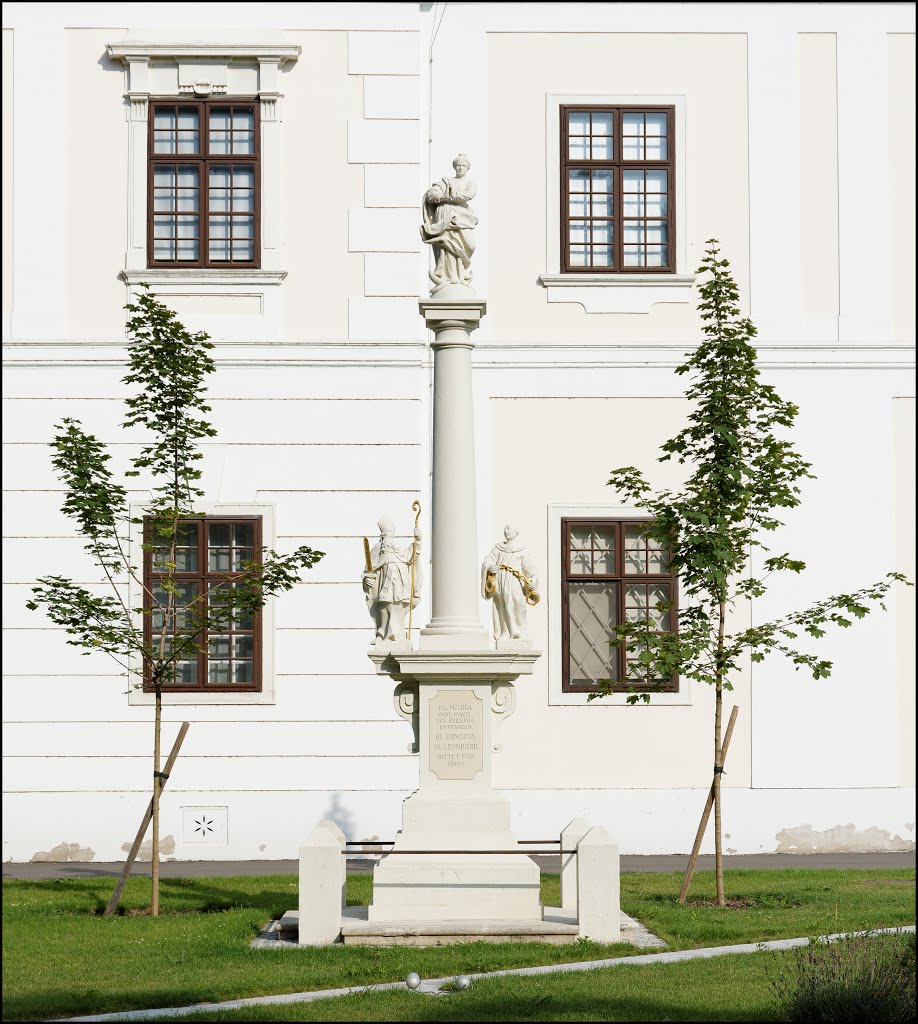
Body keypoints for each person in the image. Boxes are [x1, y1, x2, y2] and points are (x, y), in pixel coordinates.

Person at [420, 154, 478, 290]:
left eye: (463, 165)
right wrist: (444, 196)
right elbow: (430, 195)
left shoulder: (470, 182)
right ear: (454, 167)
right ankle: (449, 276)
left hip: (462, 217)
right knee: (447, 244)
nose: (460, 168)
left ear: (467, 168)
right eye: (458, 165)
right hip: (445, 215)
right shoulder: (445, 182)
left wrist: (452, 197)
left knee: (469, 244)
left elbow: (469, 194)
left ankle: (461, 273)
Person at [363, 515, 422, 642]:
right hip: (384, 581)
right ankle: (382, 634)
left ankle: (398, 634)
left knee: (398, 606)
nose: (389, 536)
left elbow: (411, 557)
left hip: (400, 582)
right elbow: (369, 568)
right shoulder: (378, 549)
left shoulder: (398, 548)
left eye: (391, 532)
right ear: (382, 535)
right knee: (384, 605)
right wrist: (368, 580)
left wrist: (418, 541)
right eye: (386, 533)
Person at [481, 525, 539, 641]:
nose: (506, 531)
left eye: (509, 528)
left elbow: (530, 568)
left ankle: (520, 631)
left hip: (515, 580)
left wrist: (532, 580)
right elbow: (488, 560)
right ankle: (505, 632)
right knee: (501, 605)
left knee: (518, 603)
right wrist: (490, 567)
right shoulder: (498, 548)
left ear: (516, 532)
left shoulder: (522, 550)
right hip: (500, 581)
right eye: (505, 529)